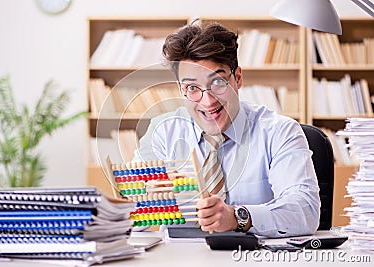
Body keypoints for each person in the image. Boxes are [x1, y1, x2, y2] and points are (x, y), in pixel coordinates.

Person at [132, 22, 320, 238]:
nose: (208, 100)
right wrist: (146, 201)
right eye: (192, 88)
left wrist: (238, 218)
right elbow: (126, 218)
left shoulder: (280, 131)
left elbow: (305, 211)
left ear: (237, 78)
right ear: (181, 89)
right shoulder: (162, 133)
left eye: (218, 82)